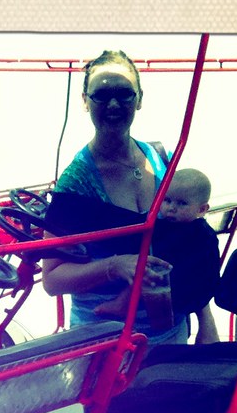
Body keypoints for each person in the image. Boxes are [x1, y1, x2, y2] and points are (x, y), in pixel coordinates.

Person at [41, 50, 191, 344]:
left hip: (170, 330)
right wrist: (115, 265)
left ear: (139, 99)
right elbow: (52, 278)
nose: (113, 103)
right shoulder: (76, 183)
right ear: (85, 101)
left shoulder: (163, 159)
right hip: (105, 340)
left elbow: (186, 244)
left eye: (124, 93)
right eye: (101, 94)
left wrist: (205, 320)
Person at [93, 167, 222, 342]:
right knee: (143, 267)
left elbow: (207, 266)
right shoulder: (181, 228)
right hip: (184, 290)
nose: (171, 208)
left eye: (182, 203)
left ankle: (122, 304)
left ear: (201, 209)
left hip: (181, 288)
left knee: (144, 270)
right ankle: (128, 306)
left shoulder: (198, 234)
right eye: (167, 200)